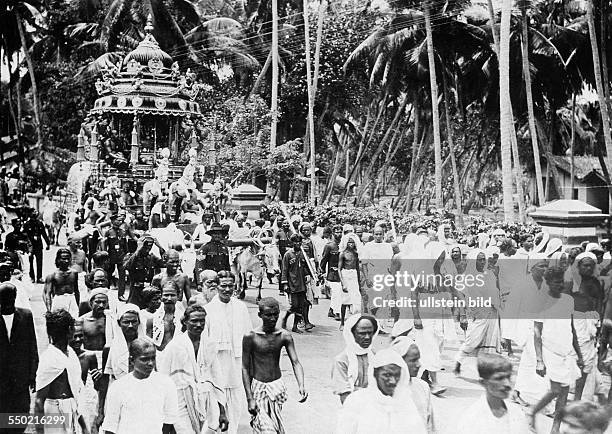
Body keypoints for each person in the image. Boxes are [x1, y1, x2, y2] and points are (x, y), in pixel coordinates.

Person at [159, 305, 229, 434]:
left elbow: (217, 378)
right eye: (194, 321)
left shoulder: (209, 345)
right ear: (185, 322)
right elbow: (163, 379)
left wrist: (222, 411)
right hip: (181, 401)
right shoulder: (175, 346)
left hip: (206, 400)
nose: (199, 324)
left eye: (202, 320)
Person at [529, 266, 583, 434]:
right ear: (548, 282)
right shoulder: (541, 301)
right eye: (556, 282)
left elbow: (571, 328)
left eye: (561, 281)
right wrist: (539, 360)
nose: (560, 284)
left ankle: (555, 428)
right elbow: (537, 332)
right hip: (550, 351)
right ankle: (533, 412)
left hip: (566, 352)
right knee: (555, 390)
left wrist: (579, 354)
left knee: (564, 393)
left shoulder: (568, 300)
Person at [242, 298, 307, 433]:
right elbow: (245, 368)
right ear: (260, 315)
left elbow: (295, 362)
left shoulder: (284, 336)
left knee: (273, 426)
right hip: (258, 387)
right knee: (267, 429)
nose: (273, 318)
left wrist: (301, 385)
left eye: (275, 314)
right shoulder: (251, 336)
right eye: (268, 315)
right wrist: (249, 398)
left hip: (276, 387)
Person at [203, 271, 252, 434]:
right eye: (223, 285)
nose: (227, 289)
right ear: (217, 286)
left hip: (237, 360)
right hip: (216, 361)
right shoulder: (208, 310)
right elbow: (205, 340)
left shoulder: (240, 307)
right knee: (217, 398)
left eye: (231, 285)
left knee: (236, 400)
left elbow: (248, 335)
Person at [335, 348, 427, 434]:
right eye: (387, 375)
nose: (393, 381)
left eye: (397, 375)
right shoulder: (357, 401)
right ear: (375, 374)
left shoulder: (406, 403)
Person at [102, 338, 179, 434]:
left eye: (153, 358)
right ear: (132, 360)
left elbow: (169, 422)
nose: (150, 363)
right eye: (144, 359)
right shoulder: (118, 387)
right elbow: (110, 426)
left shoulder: (166, 384)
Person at [34, 309, 88, 434]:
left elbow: (76, 393)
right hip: (54, 413)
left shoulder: (71, 354)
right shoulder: (49, 358)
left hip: (72, 411)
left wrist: (84, 427)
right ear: (69, 330)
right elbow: (39, 401)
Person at [454, 248, 501, 375]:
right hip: (476, 313)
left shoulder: (489, 274)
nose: (482, 262)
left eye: (483, 259)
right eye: (479, 260)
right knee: (472, 340)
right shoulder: (467, 277)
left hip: (492, 312)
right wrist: (462, 314)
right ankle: (458, 361)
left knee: (489, 341)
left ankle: (485, 371)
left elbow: (495, 292)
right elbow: (459, 294)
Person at [456, 353, 529, 434]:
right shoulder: (473, 418)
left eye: (508, 377)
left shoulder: (516, 412)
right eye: (499, 378)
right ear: (483, 382)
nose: (507, 384)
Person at [0, 282, 38, 434]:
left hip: (21, 377)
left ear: (15, 297)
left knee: (20, 414)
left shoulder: (26, 315)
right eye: (4, 297)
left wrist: (33, 374)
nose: (8, 300)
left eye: (10, 297)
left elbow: (32, 346)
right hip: (1, 378)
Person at [391, 338, 436, 432]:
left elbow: (430, 425)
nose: (419, 364)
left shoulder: (422, 386)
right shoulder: (387, 391)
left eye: (418, 359)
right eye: (413, 360)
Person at [332, 314, 379, 404]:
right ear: (352, 333)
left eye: (370, 333)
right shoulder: (342, 360)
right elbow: (345, 397)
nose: (367, 337)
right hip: (354, 409)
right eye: (362, 333)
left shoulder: (374, 355)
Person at [70, 319, 103, 434]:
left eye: (80, 336)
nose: (78, 340)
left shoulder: (89, 356)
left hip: (82, 401)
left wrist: (100, 375)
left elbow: (97, 386)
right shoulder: (61, 356)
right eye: (74, 336)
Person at [280, 234, 312, 333]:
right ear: (292, 243)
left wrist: (308, 274)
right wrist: (285, 284)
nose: (297, 244)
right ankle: (285, 318)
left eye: (299, 242)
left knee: (301, 306)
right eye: (295, 242)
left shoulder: (303, 254)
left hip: (302, 283)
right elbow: (284, 270)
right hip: (292, 283)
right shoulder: (288, 254)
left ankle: (295, 326)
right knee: (294, 306)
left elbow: (307, 267)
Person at [124, 234, 166, 307]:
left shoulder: (152, 258)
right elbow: (127, 266)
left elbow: (165, 263)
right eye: (145, 247)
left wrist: (160, 247)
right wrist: (138, 249)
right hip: (136, 292)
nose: (147, 250)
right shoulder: (131, 256)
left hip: (148, 292)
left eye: (149, 248)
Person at [146, 282, 182, 365]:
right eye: (166, 295)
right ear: (161, 296)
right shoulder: (152, 319)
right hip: (159, 359)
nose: (169, 298)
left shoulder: (183, 318)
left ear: (178, 295)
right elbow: (149, 343)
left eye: (172, 295)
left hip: (178, 358)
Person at [101, 212, 130, 300]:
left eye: (120, 220)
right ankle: (106, 293)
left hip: (121, 256)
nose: (119, 222)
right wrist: (105, 255)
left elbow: (125, 245)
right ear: (113, 221)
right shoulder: (108, 232)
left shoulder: (122, 232)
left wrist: (127, 255)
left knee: (122, 276)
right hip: (111, 256)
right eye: (117, 220)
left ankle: (121, 295)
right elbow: (104, 244)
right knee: (108, 275)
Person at [44, 248, 80, 318]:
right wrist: (49, 310)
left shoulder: (74, 273)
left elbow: (76, 290)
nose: (66, 261)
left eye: (68, 258)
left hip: (71, 300)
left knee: (74, 322)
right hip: (58, 300)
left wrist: (77, 306)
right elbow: (48, 294)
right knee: (58, 324)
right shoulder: (52, 275)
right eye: (63, 259)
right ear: (58, 260)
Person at [338, 234, 362, 328]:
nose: (351, 244)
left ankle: (355, 322)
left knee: (356, 300)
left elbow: (357, 268)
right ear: (345, 243)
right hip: (346, 275)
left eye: (352, 242)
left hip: (354, 275)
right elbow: (339, 269)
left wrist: (359, 283)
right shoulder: (342, 254)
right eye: (349, 242)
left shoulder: (356, 254)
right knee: (345, 300)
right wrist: (343, 283)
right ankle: (342, 322)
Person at [321, 225, 343, 320]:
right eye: (337, 232)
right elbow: (324, 260)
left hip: (342, 273)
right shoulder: (329, 246)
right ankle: (337, 312)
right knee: (337, 292)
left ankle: (331, 309)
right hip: (333, 273)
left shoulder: (344, 245)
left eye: (340, 232)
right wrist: (321, 272)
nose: (339, 234)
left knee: (338, 293)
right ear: (333, 233)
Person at [24, 209, 51, 283]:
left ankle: (39, 277)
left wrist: (48, 243)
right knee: (30, 262)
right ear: (29, 215)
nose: (34, 214)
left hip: (39, 246)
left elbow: (44, 234)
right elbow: (24, 235)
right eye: (32, 213)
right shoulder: (26, 224)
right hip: (30, 246)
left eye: (35, 213)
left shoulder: (40, 223)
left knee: (39, 262)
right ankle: (32, 277)